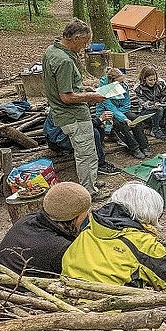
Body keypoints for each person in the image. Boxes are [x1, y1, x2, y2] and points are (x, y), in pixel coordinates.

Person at [62, 182, 166, 290]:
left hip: (72, 294)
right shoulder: (140, 242)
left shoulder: (94, 225)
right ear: (147, 213)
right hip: (109, 309)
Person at [42, 18, 108, 201]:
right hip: (73, 115)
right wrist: (90, 97)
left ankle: (91, 182)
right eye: (84, 41)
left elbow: (61, 85)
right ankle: (89, 191)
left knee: (86, 152)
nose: (85, 46)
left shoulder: (52, 50)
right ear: (75, 38)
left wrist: (82, 89)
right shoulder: (64, 61)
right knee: (86, 153)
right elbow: (66, 96)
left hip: (65, 113)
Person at [0, 182, 91, 278]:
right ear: (75, 216)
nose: (88, 215)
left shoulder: (26, 219)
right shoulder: (60, 247)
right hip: (22, 290)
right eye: (85, 212)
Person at [96, 68, 151, 159]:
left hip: (121, 110)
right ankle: (134, 148)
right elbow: (110, 107)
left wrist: (121, 115)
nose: (122, 84)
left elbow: (127, 104)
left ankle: (144, 145)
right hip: (106, 113)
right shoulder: (103, 90)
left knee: (135, 119)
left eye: (122, 81)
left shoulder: (124, 86)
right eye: (119, 82)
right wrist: (124, 118)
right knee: (121, 124)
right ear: (111, 82)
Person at [44, 112, 121, 176]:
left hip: (64, 135)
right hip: (58, 141)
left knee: (99, 128)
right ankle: (100, 164)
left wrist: (100, 122)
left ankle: (96, 156)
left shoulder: (76, 104)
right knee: (93, 132)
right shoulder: (67, 108)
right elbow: (82, 126)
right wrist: (100, 119)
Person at [134, 66, 166, 141]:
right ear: (144, 78)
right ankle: (155, 129)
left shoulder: (161, 83)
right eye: (150, 80)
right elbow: (143, 103)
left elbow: (165, 96)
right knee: (159, 109)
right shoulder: (138, 88)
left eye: (154, 79)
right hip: (145, 112)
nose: (153, 82)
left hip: (160, 107)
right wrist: (153, 105)